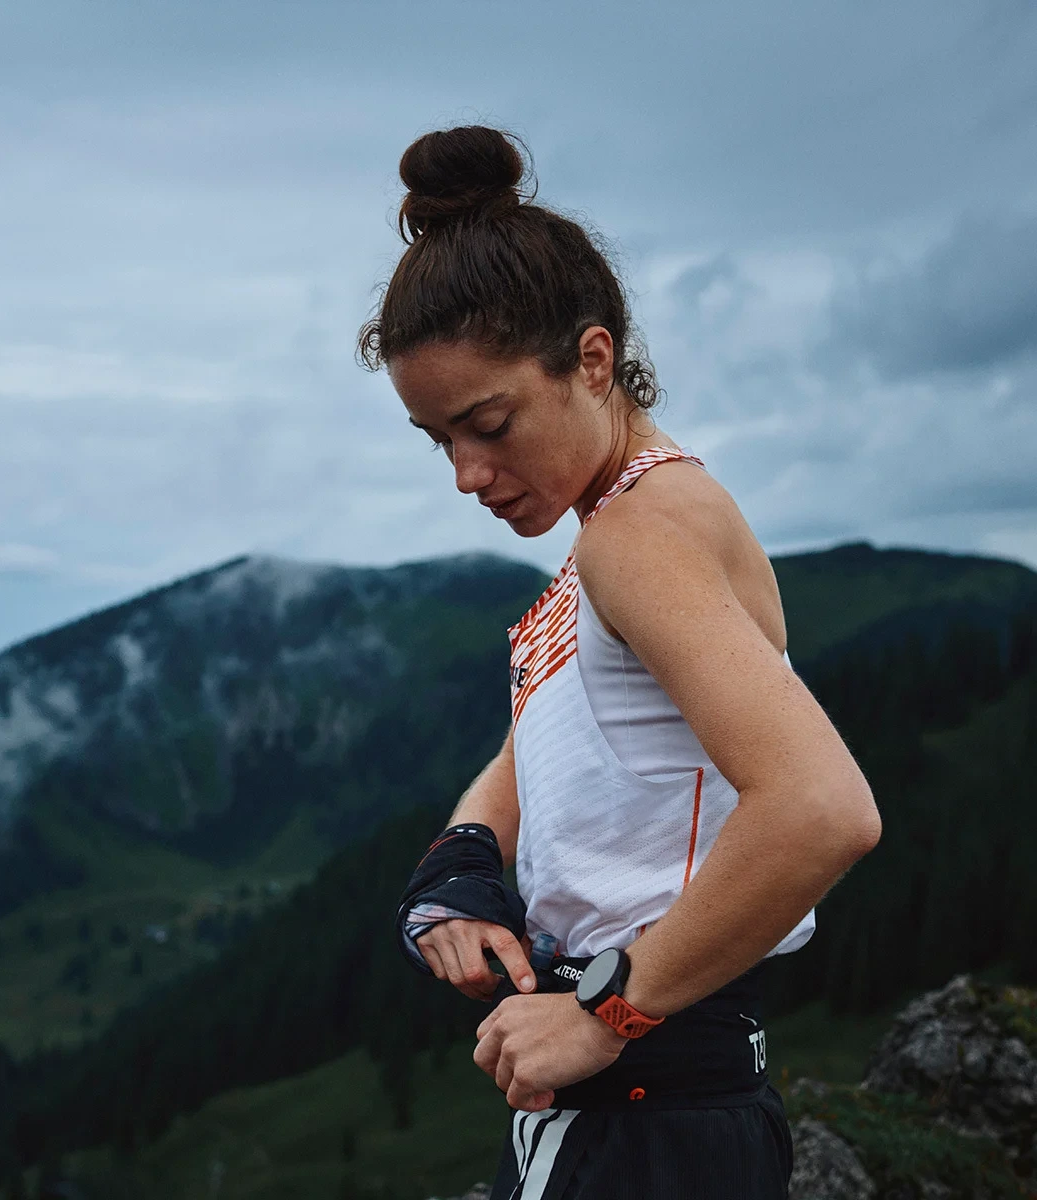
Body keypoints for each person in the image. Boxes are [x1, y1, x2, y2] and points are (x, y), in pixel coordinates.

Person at [362, 124, 882, 1199]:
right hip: (641, 1116)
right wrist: (463, 857)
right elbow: (547, 740)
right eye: (439, 440)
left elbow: (824, 809)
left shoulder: (637, 536)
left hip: (657, 1116)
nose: (466, 472)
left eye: (488, 423)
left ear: (592, 360)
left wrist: (609, 1011)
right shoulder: (615, 536)